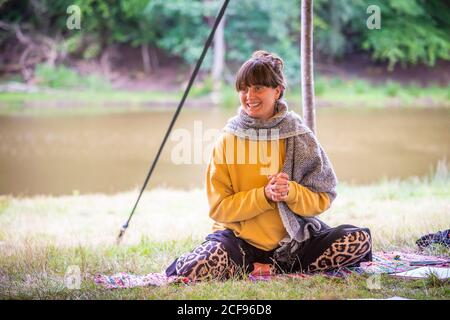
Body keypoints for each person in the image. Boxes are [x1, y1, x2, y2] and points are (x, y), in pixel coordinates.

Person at [165, 50, 372, 281]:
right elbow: (219, 208)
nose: (249, 95)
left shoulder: (298, 135)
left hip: (294, 243)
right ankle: (252, 266)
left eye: (258, 88)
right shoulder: (228, 139)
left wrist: (291, 192)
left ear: (277, 91)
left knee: (358, 240)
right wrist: (264, 195)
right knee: (193, 267)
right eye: (244, 89)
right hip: (239, 242)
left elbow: (323, 196)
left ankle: (274, 268)